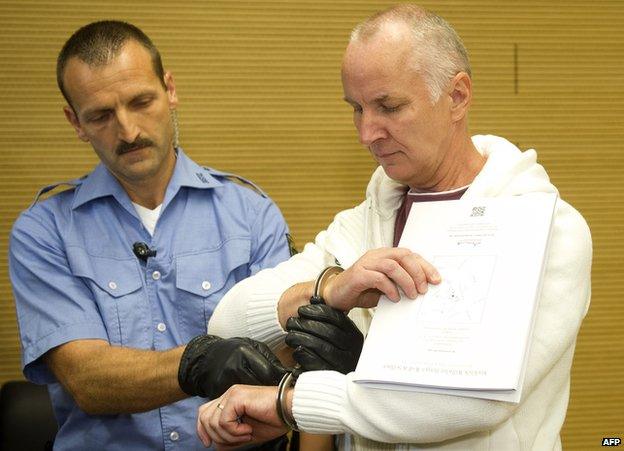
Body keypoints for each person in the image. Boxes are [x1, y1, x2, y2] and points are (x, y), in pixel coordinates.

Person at [197, 4, 592, 450]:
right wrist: (329, 288)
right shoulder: (366, 222)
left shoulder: (547, 229)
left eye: (388, 107)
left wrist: (290, 403)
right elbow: (227, 321)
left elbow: (471, 401)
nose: (367, 133)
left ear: (457, 96)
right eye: (357, 108)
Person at [9, 21, 294, 450]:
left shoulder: (252, 215)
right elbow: (88, 380)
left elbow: (284, 361)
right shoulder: (43, 231)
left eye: (141, 101)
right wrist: (199, 362)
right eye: (101, 115)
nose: (128, 131)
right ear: (75, 122)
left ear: (170, 90)